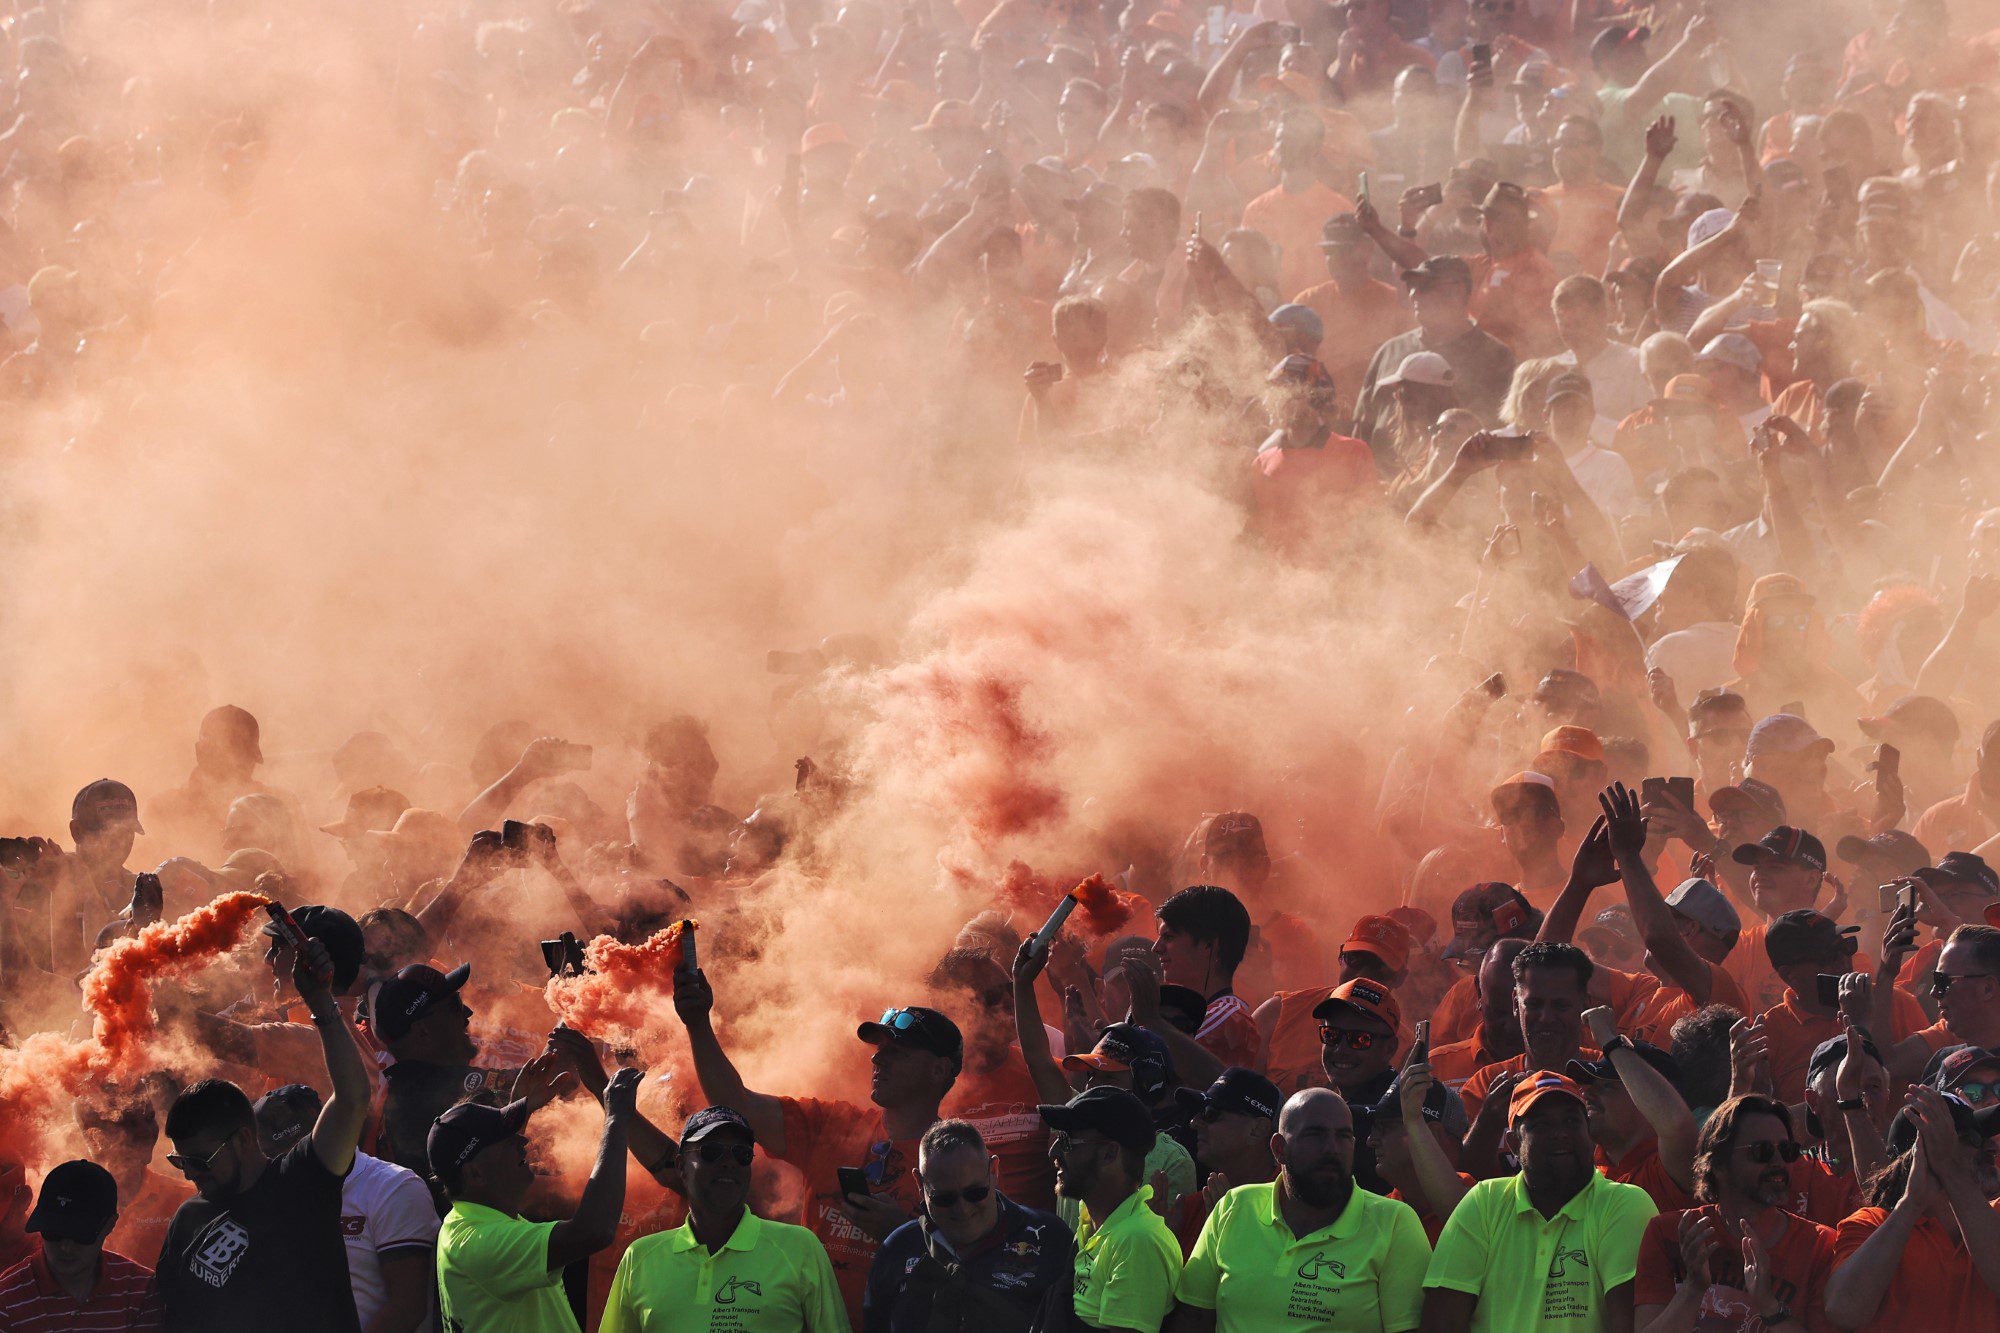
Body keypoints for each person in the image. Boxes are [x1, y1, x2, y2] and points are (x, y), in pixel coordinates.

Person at [677, 963, 956, 1325]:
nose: (876, 1058)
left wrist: (902, 1234)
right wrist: (698, 1024)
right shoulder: (831, 1123)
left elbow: (974, 1268)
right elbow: (736, 1105)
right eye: (878, 1049)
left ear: (938, 1070)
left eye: (896, 1053)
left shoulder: (956, 1155)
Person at [153, 934, 370, 1332]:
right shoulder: (188, 1218)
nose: (189, 1174)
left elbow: (353, 1099)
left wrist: (320, 1002)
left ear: (243, 1140)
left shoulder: (302, 1181)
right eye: (180, 1161)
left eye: (199, 1161)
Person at [1169, 1086, 1432, 1332]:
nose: (1332, 1149)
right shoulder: (1234, 1206)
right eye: (1314, 1135)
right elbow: (1193, 1317)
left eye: (1344, 1136)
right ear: (1279, 1149)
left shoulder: (1394, 1222)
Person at [1421, 1071, 1658, 1330]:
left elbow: (1627, 1325)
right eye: (1540, 1125)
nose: (1560, 1133)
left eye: (1570, 1120)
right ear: (1513, 1143)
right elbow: (1442, 1322)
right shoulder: (1483, 1202)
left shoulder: (1624, 1204)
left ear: (1590, 1134)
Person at [432, 1067, 643, 1333]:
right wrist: (615, 1120)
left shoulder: (472, 1218)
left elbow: (492, 1162)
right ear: (475, 1172)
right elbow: (594, 1230)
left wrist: (522, 1104)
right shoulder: (480, 1242)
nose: (522, 1141)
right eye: (506, 1140)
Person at [605, 1105, 850, 1333]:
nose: (729, 1163)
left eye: (742, 1154)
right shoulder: (640, 1257)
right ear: (681, 1166)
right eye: (712, 1152)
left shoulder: (800, 1247)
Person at [1631, 1094, 1836, 1331]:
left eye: (1787, 1150)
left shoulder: (1820, 1246)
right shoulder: (1669, 1234)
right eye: (1762, 1151)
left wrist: (1769, 1306)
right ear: (1718, 1164)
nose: (1779, 1161)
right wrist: (1693, 1288)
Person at [252, 1083, 438, 1333]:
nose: (288, 1167)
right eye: (275, 1159)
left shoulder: (393, 1186)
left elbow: (407, 1308)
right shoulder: (270, 1192)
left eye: (298, 1154)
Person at [862, 1118, 1070, 1333]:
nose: (963, 1210)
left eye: (975, 1193)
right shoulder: (898, 1247)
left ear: (994, 1171)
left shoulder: (1050, 1239)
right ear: (919, 1184)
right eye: (944, 1198)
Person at [1824, 1087, 2000, 1329]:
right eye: (1972, 1139)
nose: (1992, 1148)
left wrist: (1949, 1171)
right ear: (1919, 1155)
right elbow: (1842, 1311)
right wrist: (1910, 1205)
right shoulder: (1872, 1224)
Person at [1039, 1087, 1182, 1332]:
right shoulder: (1093, 1223)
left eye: (1067, 1141)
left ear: (1109, 1153)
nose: (1054, 1152)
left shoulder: (1137, 1241)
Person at [0, 1158, 162, 1328]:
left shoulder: (140, 1290)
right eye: (53, 1233)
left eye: (80, 1235)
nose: (65, 1247)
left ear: (109, 1225)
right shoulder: (6, 1298)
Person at [1168, 1068, 1282, 1250]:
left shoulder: (1293, 1205)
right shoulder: (1188, 1209)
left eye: (1209, 1113)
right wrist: (1155, 1245)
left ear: (1257, 1130)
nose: (1194, 1123)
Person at [1151, 884, 1258, 1077]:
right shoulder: (1204, 1013)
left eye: (1169, 937)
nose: (1156, 948)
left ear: (1210, 946)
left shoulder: (1228, 1017)